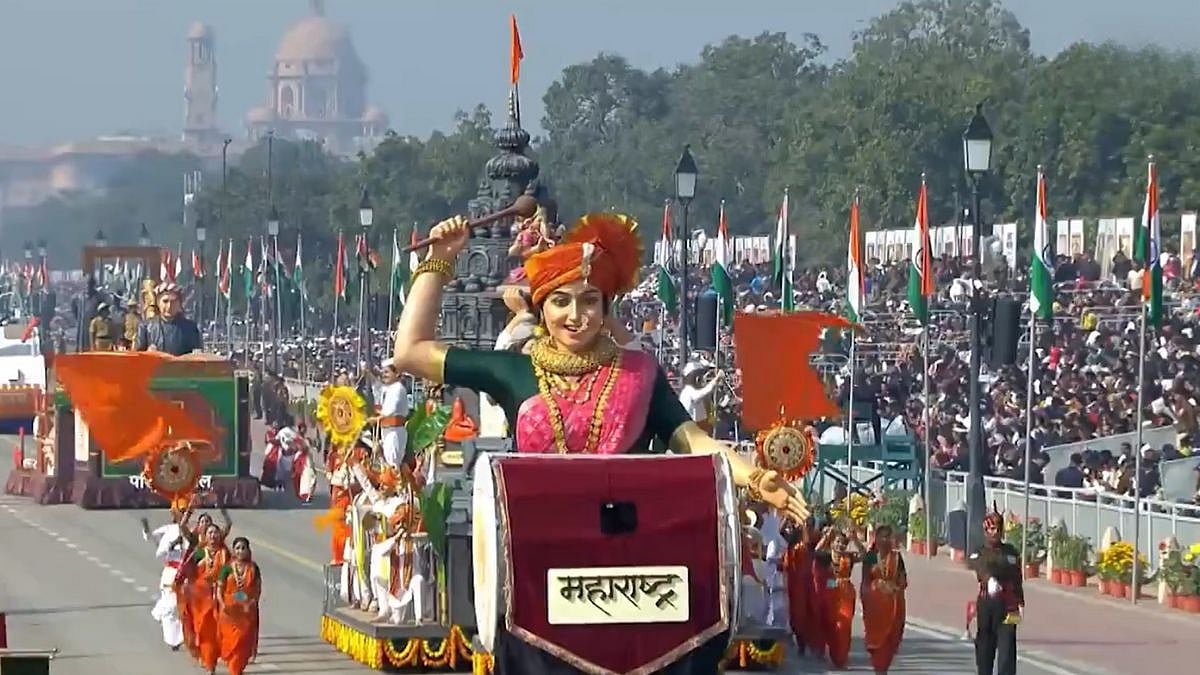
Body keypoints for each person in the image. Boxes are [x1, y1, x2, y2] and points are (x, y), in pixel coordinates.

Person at [391, 212, 808, 674]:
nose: (576, 316)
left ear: (606, 307)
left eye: (590, 301)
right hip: (540, 567)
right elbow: (410, 352)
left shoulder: (639, 374)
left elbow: (691, 439)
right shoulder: (513, 372)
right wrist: (439, 261)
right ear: (541, 308)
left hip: (635, 566)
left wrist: (755, 477)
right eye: (561, 301)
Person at [969, 508, 1024, 675]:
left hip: (1008, 605)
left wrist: (1020, 601)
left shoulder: (1011, 552)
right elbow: (979, 567)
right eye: (991, 529)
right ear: (985, 530)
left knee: (1007, 653)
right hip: (987, 605)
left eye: (998, 529)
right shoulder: (979, 552)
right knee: (985, 653)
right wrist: (989, 579)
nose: (995, 533)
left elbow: (1017, 577)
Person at [184, 522, 230, 675]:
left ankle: (212, 662)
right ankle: (209, 663)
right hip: (200, 599)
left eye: (215, 532)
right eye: (210, 532)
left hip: (220, 597)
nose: (213, 535)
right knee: (203, 631)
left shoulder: (225, 553)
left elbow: (231, 575)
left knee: (218, 632)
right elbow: (188, 572)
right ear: (205, 536)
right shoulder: (199, 553)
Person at [813, 526, 862, 669]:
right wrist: (826, 536)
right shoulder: (826, 556)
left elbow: (865, 555)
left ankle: (841, 658)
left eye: (843, 543)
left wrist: (855, 540)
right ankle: (833, 653)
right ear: (833, 543)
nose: (840, 545)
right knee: (831, 625)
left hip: (846, 593)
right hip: (830, 594)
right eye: (838, 542)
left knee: (844, 626)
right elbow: (816, 551)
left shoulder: (849, 557)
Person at [861, 524, 907, 675]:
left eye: (889, 536)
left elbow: (903, 579)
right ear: (877, 538)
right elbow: (865, 581)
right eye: (883, 536)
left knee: (891, 639)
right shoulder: (870, 557)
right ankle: (879, 670)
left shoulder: (896, 557)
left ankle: (883, 669)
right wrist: (868, 596)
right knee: (877, 643)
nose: (886, 540)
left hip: (894, 605)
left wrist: (894, 587)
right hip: (875, 605)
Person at [141, 510, 187, 651]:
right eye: (173, 513)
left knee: (181, 606)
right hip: (170, 573)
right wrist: (146, 529)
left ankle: (183, 636)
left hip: (185, 573)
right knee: (170, 607)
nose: (174, 515)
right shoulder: (168, 529)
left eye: (180, 512)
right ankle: (174, 640)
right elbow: (152, 539)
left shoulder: (191, 531)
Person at [217, 537, 262, 675]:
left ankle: (237, 668)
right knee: (230, 641)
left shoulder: (253, 568)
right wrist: (223, 604)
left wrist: (252, 603)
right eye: (237, 548)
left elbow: (257, 589)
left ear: (248, 550)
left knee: (244, 641)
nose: (240, 551)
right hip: (229, 612)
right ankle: (234, 669)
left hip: (247, 611)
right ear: (233, 550)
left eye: (243, 548)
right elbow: (219, 590)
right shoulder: (227, 568)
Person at [135, 282, 202, 355]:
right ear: (158, 302)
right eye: (165, 301)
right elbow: (137, 356)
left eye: (173, 301)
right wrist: (147, 354)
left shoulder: (191, 328)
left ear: (179, 304)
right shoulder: (146, 327)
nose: (169, 306)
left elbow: (197, 356)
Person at [370, 360, 409, 470]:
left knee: (392, 463)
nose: (384, 375)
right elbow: (377, 386)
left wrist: (376, 419)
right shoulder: (389, 388)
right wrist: (368, 374)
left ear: (396, 374)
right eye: (383, 372)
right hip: (386, 430)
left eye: (387, 372)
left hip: (395, 431)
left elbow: (390, 409)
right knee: (385, 463)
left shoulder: (398, 388)